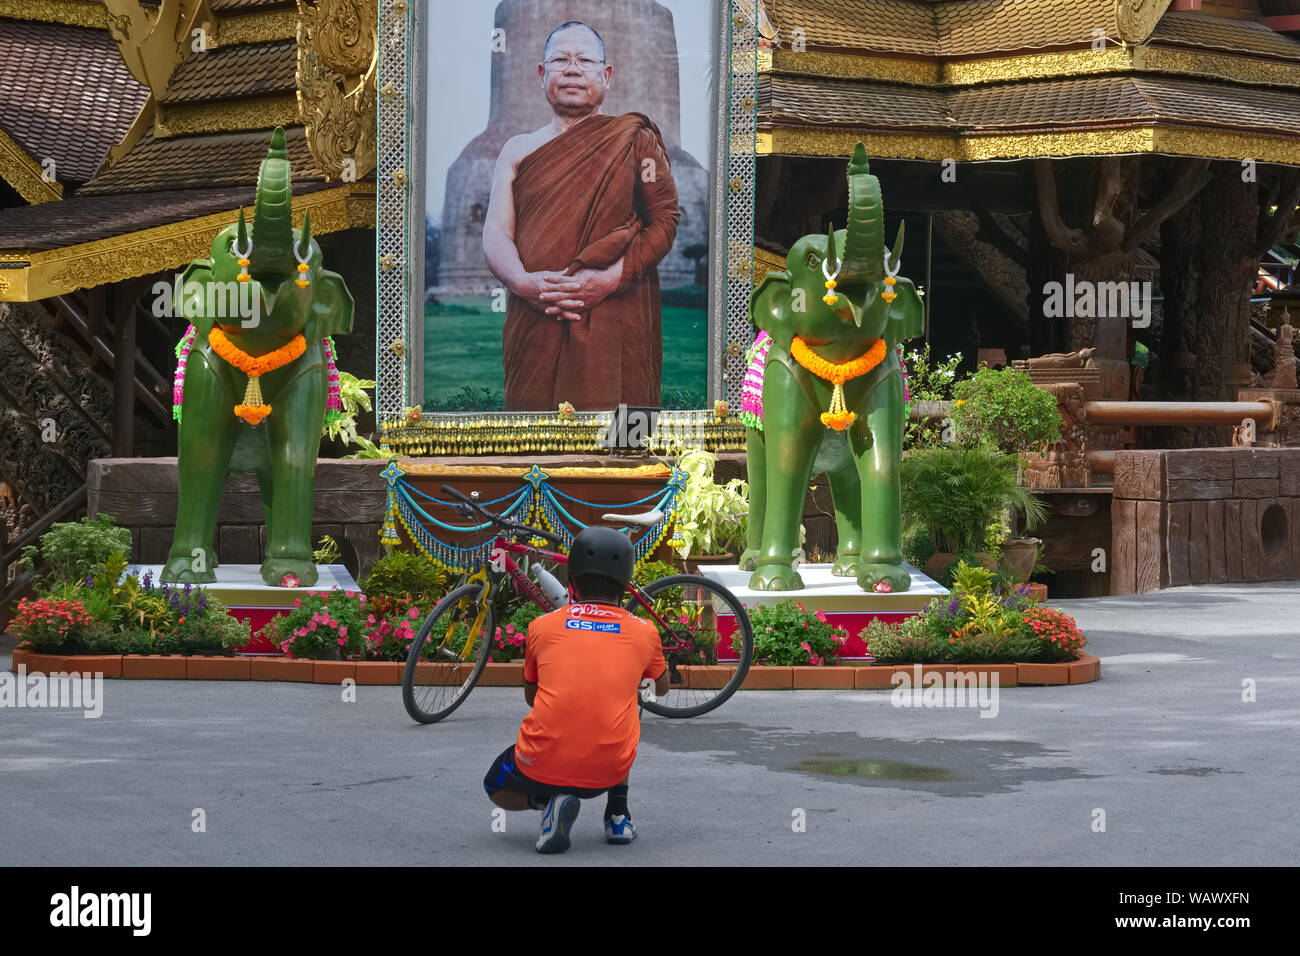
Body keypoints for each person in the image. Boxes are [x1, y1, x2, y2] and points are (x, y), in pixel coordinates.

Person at [481, 20, 680, 411]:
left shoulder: (636, 141)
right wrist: (524, 283)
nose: (572, 69)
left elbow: (665, 221)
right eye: (560, 60)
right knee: (529, 449)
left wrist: (609, 279)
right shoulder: (517, 151)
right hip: (534, 318)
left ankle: (628, 462)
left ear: (605, 76)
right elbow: (496, 233)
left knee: (624, 450)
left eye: (585, 60)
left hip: (616, 317)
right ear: (542, 75)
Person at [482, 526, 670, 854]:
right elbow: (662, 688)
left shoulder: (542, 626)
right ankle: (617, 817)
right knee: (627, 704)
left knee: (494, 784)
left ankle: (546, 801)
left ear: (573, 577)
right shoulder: (645, 631)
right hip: (608, 769)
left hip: (538, 765)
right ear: (625, 580)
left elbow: (532, 697)